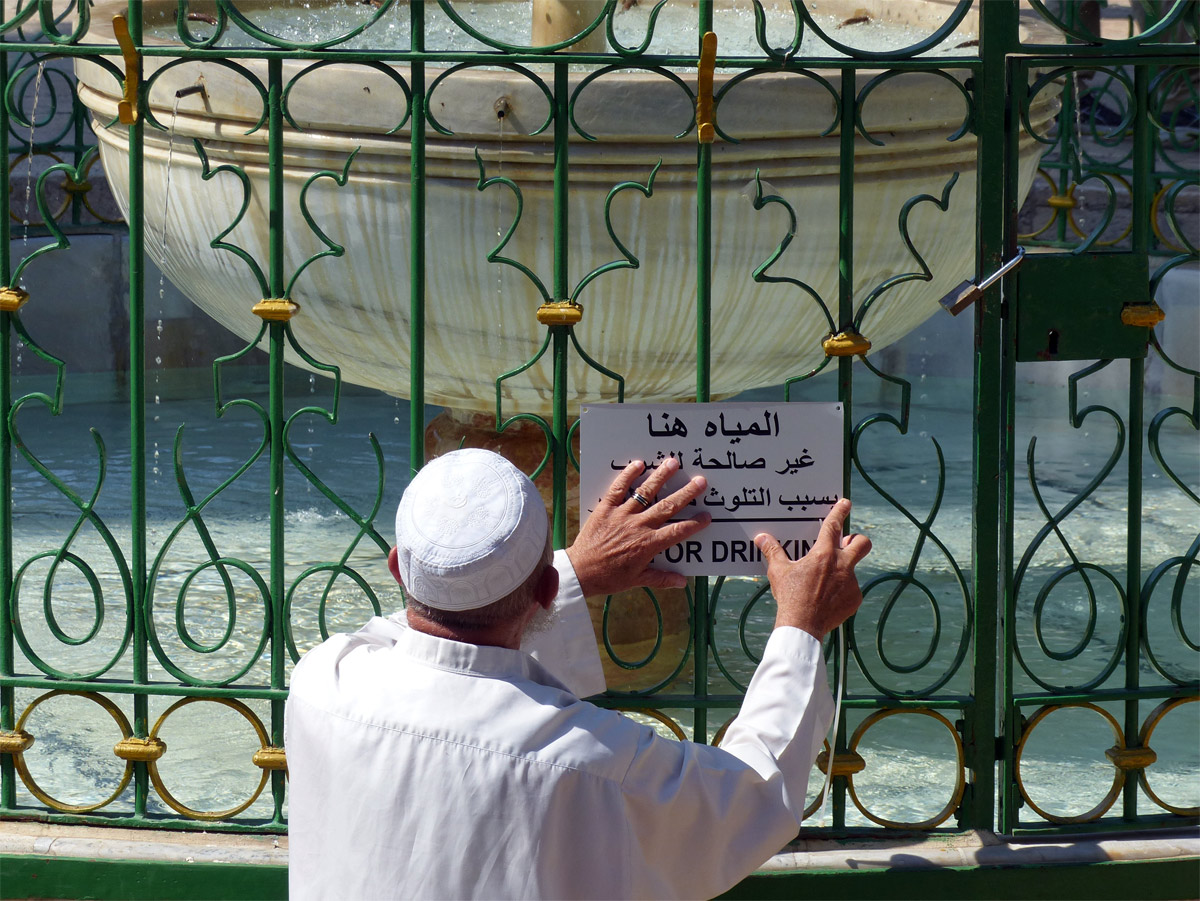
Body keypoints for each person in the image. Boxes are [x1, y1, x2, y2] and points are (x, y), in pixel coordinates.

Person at [286, 447, 870, 900]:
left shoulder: (320, 682)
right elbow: (748, 797)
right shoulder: (593, 761)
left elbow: (421, 637)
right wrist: (801, 623)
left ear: (396, 568)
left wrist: (571, 573)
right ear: (544, 590)